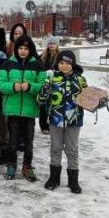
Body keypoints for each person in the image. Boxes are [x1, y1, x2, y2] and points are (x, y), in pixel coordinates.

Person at [0, 35, 45, 181]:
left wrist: (31, 87)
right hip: (13, 109)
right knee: (13, 141)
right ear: (16, 49)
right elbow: (0, 84)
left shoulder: (37, 64)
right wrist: (13, 86)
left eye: (26, 48)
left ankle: (27, 166)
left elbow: (43, 85)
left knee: (29, 142)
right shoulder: (7, 64)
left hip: (30, 110)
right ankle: (11, 165)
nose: (23, 51)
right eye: (20, 48)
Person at [38, 49, 87, 194]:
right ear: (57, 63)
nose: (64, 66)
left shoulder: (80, 80)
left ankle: (73, 181)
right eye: (61, 63)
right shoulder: (52, 78)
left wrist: (97, 101)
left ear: (73, 64)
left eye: (67, 63)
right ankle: (54, 178)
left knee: (72, 150)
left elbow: (87, 100)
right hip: (55, 120)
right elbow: (41, 100)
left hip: (74, 121)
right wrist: (45, 88)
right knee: (55, 148)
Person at [39, 35, 60, 133]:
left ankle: (52, 125)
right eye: (50, 44)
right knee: (43, 105)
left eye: (53, 43)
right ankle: (44, 127)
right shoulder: (43, 55)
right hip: (44, 83)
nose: (51, 45)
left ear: (57, 45)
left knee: (53, 105)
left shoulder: (60, 56)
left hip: (56, 83)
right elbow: (38, 66)